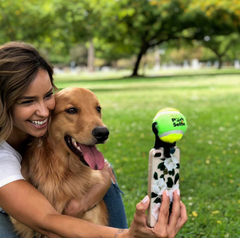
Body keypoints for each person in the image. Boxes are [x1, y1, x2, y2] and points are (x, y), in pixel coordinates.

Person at [0, 41, 187, 238]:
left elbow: (104, 172)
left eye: (47, 95)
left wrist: (82, 203)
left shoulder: (46, 131)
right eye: (28, 101)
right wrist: (127, 236)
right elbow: (46, 221)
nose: (45, 111)